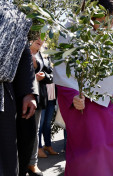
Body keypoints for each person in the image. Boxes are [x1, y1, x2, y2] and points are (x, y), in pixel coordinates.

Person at [53, 0, 113, 175]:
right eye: (104, 21)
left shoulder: (112, 35)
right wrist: (73, 96)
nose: (108, 26)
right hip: (82, 103)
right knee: (87, 149)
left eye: (112, 21)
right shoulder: (72, 30)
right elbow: (62, 68)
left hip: (108, 103)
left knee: (104, 148)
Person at [0, 1, 38, 175]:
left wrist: (29, 91)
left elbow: (22, 50)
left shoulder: (15, 11)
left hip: (4, 95)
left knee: (6, 160)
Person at [27, 37, 54, 176]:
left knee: (35, 131)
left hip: (38, 99)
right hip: (21, 97)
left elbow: (51, 75)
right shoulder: (21, 50)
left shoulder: (43, 55)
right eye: (37, 36)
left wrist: (44, 77)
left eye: (42, 38)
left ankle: (33, 163)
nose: (40, 40)